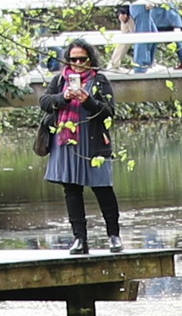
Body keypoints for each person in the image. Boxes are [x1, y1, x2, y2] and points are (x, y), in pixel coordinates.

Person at [39, 40, 121, 255]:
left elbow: (109, 112)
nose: (77, 63)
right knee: (71, 190)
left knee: (103, 188)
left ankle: (113, 235)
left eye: (82, 59)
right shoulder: (59, 80)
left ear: (90, 60)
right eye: (73, 59)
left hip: (92, 142)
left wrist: (88, 101)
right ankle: (79, 239)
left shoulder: (99, 81)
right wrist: (63, 97)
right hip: (67, 142)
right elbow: (45, 102)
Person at [125, 0, 158, 72]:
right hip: (139, 6)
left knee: (154, 34)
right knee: (142, 35)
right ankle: (140, 66)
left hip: (143, 6)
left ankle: (149, 63)